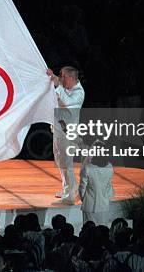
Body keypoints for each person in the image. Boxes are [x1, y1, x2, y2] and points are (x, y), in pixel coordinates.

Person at [47, 66, 85, 204]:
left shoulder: (79, 93)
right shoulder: (65, 88)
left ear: (70, 78)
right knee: (60, 161)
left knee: (67, 163)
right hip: (58, 131)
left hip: (68, 133)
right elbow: (57, 84)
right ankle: (67, 188)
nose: (61, 78)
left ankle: (71, 194)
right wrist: (52, 77)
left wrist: (58, 86)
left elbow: (67, 104)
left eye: (63, 76)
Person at [78, 139, 114, 226]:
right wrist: (107, 198)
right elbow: (109, 186)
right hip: (104, 205)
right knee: (103, 230)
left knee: (89, 232)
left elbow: (82, 188)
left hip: (89, 206)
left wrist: (84, 199)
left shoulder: (87, 168)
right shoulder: (110, 167)